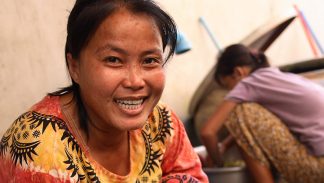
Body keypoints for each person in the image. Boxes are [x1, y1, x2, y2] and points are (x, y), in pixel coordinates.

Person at [0, 0, 208, 182]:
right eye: (113, 60)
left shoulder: (161, 123)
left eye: (150, 60)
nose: (135, 81)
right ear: (75, 67)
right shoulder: (39, 148)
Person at [200, 43, 324, 183]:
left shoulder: (248, 84)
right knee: (246, 114)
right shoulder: (277, 76)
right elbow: (252, 128)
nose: (231, 93)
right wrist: (225, 146)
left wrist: (218, 163)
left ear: (238, 72)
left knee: (239, 112)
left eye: (229, 86)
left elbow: (208, 132)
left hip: (318, 165)